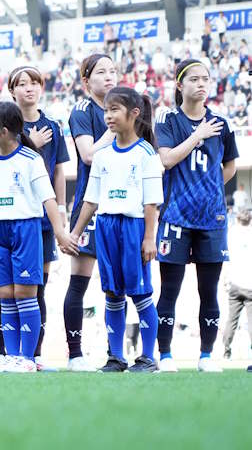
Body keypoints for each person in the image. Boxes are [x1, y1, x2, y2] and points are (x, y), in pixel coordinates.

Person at [0, 102, 74, 373]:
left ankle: (28, 359)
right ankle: (12, 355)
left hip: (25, 230)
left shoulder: (31, 161)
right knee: (5, 293)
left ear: (4, 130)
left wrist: (60, 234)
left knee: (25, 293)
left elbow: (49, 199)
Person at [154, 59, 238, 373]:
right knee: (170, 289)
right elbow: (166, 159)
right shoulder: (168, 118)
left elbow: (229, 166)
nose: (201, 84)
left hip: (212, 219)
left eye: (206, 78)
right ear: (180, 85)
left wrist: (211, 187)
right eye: (194, 79)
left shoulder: (222, 122)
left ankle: (206, 356)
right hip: (175, 216)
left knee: (209, 290)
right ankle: (165, 356)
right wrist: (197, 135)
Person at [71, 87, 163, 373]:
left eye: (114, 110)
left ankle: (148, 357)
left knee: (140, 291)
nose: (108, 116)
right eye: (106, 110)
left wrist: (149, 238)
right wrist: (75, 232)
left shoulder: (146, 153)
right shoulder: (102, 156)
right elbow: (91, 199)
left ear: (134, 114)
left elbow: (151, 202)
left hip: (134, 227)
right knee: (112, 293)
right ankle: (116, 357)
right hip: (106, 226)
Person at [5, 66, 70, 370]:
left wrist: (60, 208)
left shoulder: (53, 126)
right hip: (13, 216)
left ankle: (35, 353)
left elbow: (58, 170)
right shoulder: (4, 123)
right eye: (22, 84)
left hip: (43, 218)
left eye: (34, 83)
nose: (29, 88)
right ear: (12, 90)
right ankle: (4, 352)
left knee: (37, 287)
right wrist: (32, 143)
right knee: (8, 289)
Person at [64, 54, 118, 371]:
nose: (109, 76)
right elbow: (87, 156)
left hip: (120, 208)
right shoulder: (83, 111)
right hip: (89, 207)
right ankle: (74, 354)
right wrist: (114, 126)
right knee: (79, 283)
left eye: (113, 70)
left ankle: (116, 354)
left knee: (117, 285)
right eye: (101, 72)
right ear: (87, 81)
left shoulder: (127, 109)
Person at [223, 211, 252, 360]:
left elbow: (226, 257)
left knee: (231, 320)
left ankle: (226, 351)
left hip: (234, 282)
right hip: (250, 284)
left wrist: (226, 279)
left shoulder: (231, 235)